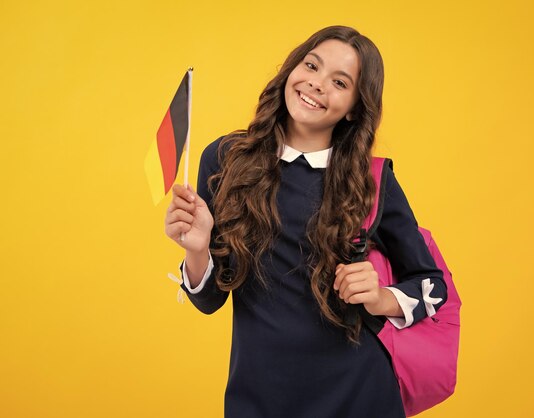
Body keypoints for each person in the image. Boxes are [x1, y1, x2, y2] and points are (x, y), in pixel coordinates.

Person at [164, 25, 447, 418]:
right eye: (311, 65)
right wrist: (197, 249)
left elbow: (433, 285)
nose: (316, 85)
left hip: (360, 396)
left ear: (353, 106)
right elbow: (209, 300)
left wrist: (381, 297)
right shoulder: (225, 160)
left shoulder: (371, 180)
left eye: (339, 82)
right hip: (258, 398)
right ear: (291, 69)